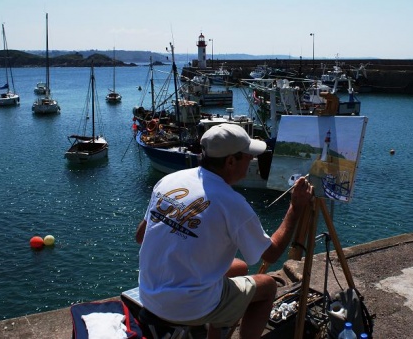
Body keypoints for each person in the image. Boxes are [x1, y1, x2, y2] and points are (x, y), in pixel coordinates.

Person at [135, 123, 314, 339]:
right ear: (231, 161)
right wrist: (295, 208)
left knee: (240, 267)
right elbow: (272, 253)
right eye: (248, 156)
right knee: (266, 286)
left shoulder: (170, 180)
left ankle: (216, 332)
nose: (251, 161)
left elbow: (141, 236)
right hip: (188, 308)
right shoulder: (233, 203)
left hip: (149, 294)